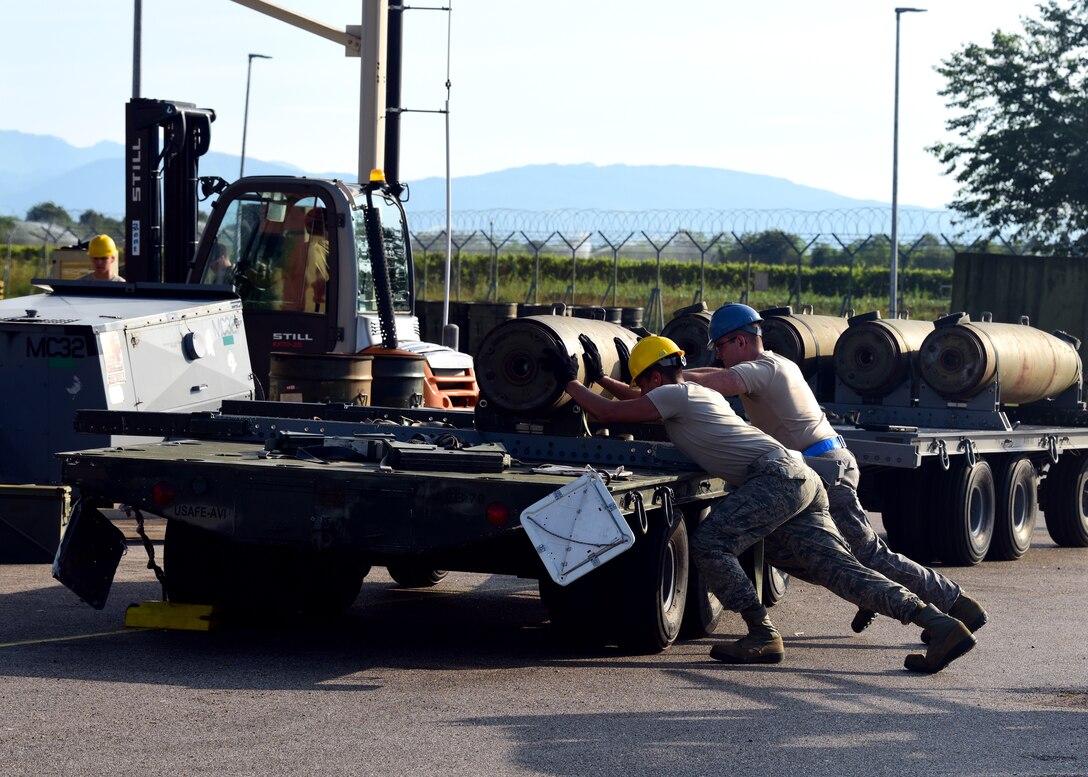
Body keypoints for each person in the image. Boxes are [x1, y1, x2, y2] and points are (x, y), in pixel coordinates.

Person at [545, 334, 976, 673]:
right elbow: (631, 402)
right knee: (839, 570)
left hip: (777, 477)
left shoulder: (674, 395)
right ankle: (939, 625)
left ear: (655, 378)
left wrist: (569, 381)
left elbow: (611, 414)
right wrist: (599, 379)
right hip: (802, 476)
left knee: (712, 543)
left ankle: (761, 633)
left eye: (643, 381)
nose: (642, 390)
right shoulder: (693, 394)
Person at [685, 303, 987, 641]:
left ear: (740, 341)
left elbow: (720, 382)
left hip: (826, 470)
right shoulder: (775, 364)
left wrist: (669, 377)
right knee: (781, 547)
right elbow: (717, 377)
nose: (718, 357)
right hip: (822, 466)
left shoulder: (763, 367)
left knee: (868, 554)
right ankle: (866, 588)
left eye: (721, 347)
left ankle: (957, 605)